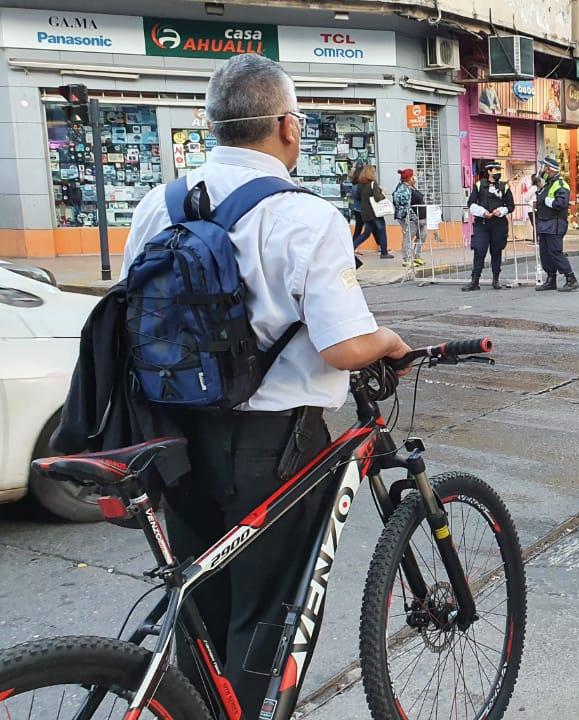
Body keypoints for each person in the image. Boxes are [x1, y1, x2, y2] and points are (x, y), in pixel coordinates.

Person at [119, 54, 411, 714]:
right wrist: (390, 343)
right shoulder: (305, 216)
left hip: (171, 441)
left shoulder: (154, 206)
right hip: (271, 448)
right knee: (266, 618)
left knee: (201, 612)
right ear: (286, 125)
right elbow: (343, 346)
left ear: (215, 125)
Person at [465, 161, 516, 291]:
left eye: (499, 169)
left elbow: (511, 206)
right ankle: (475, 281)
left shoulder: (504, 186)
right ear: (488, 171)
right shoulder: (479, 185)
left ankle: (496, 280)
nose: (498, 172)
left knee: (496, 251)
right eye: (495, 170)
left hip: (498, 224)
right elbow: (470, 203)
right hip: (482, 224)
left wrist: (501, 211)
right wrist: (482, 212)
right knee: (479, 250)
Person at [534, 156, 578, 292]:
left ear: (549, 169)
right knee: (545, 254)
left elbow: (562, 203)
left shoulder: (560, 184)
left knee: (555, 252)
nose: (542, 170)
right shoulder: (548, 184)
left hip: (555, 224)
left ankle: (571, 278)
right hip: (544, 224)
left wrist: (546, 201)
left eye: (544, 168)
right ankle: (551, 279)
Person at [353, 164, 392, 259]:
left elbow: (357, 197)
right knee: (382, 232)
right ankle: (384, 253)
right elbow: (378, 198)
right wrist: (383, 193)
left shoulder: (360, 184)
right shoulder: (373, 183)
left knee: (366, 233)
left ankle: (351, 247)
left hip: (365, 213)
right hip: (375, 213)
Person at [392, 168, 425, 267]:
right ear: (409, 178)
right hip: (409, 217)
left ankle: (416, 256)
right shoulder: (403, 189)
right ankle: (407, 258)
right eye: (413, 176)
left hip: (419, 217)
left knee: (422, 235)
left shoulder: (411, 187)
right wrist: (414, 217)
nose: (415, 177)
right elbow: (404, 206)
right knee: (409, 237)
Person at [347, 164, 365, 243]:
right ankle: (354, 245)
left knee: (359, 227)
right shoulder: (359, 186)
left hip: (357, 208)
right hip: (362, 209)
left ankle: (354, 245)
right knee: (365, 229)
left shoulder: (354, 185)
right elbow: (360, 197)